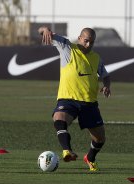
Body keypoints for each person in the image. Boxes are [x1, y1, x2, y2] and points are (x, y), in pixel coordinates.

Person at [38, 26, 111, 171]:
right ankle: (67, 151)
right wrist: (45, 29)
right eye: (86, 41)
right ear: (79, 38)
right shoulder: (66, 47)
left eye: (92, 42)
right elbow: (42, 31)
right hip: (68, 99)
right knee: (59, 119)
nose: (88, 45)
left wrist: (106, 86)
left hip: (89, 103)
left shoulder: (96, 58)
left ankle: (89, 158)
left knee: (100, 139)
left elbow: (105, 75)